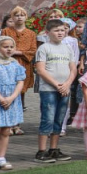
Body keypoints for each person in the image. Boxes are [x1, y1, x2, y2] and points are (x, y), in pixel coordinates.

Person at [34, 18, 76, 163]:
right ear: (48, 33)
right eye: (56, 30)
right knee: (48, 118)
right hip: (49, 89)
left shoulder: (68, 48)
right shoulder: (44, 48)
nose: (60, 33)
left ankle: (54, 149)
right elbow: (40, 70)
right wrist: (57, 85)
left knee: (59, 119)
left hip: (65, 89)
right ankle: (41, 151)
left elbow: (73, 69)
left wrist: (67, 84)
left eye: (63, 30)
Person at [0, 6, 37, 129]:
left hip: (23, 65)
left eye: (22, 15)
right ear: (12, 17)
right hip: (5, 65)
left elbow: (33, 51)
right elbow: (1, 45)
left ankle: (16, 124)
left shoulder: (31, 33)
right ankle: (6, 124)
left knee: (20, 94)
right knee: (5, 91)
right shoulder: (6, 31)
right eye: (16, 15)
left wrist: (18, 52)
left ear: (26, 17)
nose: (19, 17)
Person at [0, 36, 26, 170]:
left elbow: (20, 81)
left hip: (11, 100)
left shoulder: (15, 63)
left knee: (6, 130)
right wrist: (1, 98)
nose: (9, 49)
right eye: (5, 47)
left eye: (11, 47)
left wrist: (11, 97)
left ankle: (1, 157)